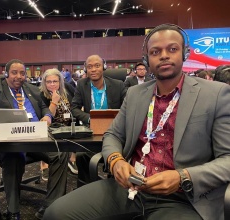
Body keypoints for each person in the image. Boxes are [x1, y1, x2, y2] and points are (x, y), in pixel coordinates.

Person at [43, 23, 230, 220]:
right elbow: (113, 135)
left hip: (183, 198)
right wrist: (115, 161)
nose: (164, 55)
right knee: (55, 214)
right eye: (155, 51)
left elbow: (227, 159)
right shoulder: (135, 94)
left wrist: (183, 177)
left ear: (185, 53)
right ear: (146, 59)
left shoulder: (215, 95)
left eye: (172, 49)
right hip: (131, 189)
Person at [0, 59, 69, 220]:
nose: (19, 76)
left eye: (22, 73)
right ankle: (13, 211)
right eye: (14, 72)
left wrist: (47, 117)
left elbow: (43, 108)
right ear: (6, 73)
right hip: (7, 141)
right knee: (15, 156)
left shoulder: (31, 89)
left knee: (60, 153)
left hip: (35, 137)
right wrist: (5, 126)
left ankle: (51, 205)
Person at [71, 54, 127, 187]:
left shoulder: (118, 85)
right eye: (89, 67)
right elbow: (74, 107)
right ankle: (85, 187)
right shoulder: (81, 84)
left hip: (115, 131)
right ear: (85, 70)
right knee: (81, 156)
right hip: (92, 131)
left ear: (104, 67)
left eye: (97, 66)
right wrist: (90, 119)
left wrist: (116, 121)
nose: (93, 70)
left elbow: (128, 107)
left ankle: (114, 186)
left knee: (118, 155)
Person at [39, 68, 78, 177]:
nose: (52, 84)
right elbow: (47, 118)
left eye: (55, 81)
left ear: (60, 82)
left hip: (68, 124)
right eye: (49, 82)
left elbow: (75, 105)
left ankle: (72, 159)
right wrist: (54, 101)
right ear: (44, 83)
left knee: (77, 128)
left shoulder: (68, 89)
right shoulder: (41, 95)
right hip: (51, 127)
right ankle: (44, 164)